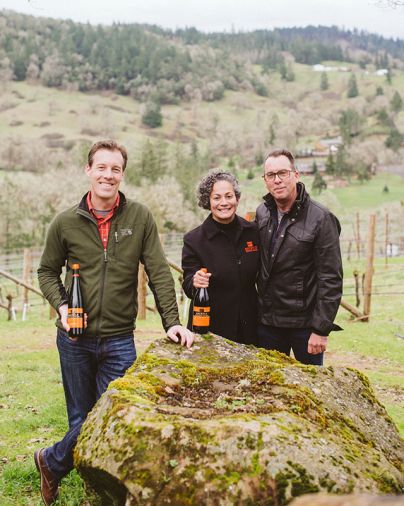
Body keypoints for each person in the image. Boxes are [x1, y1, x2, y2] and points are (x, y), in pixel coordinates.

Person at [35, 140, 194, 505]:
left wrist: (171, 321)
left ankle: (50, 461)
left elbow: (157, 271)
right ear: (89, 170)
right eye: (102, 167)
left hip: (120, 339)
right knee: (81, 418)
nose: (108, 175)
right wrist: (61, 306)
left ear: (123, 174)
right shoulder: (65, 222)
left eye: (116, 169)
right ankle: (92, 485)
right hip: (74, 338)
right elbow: (46, 272)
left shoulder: (139, 218)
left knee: (112, 413)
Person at [256, 149, 342, 365]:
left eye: (283, 173)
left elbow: (330, 278)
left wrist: (321, 330)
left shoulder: (321, 219)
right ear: (265, 180)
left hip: (305, 327)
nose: (277, 180)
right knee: (270, 388)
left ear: (296, 174)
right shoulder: (262, 213)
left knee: (311, 392)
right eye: (271, 175)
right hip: (268, 324)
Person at [182, 170, 260, 345]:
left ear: (237, 199)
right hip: (210, 329)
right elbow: (188, 285)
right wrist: (194, 281)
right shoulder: (194, 240)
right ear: (207, 202)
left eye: (229, 196)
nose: (223, 203)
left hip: (251, 328)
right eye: (216, 198)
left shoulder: (253, 232)